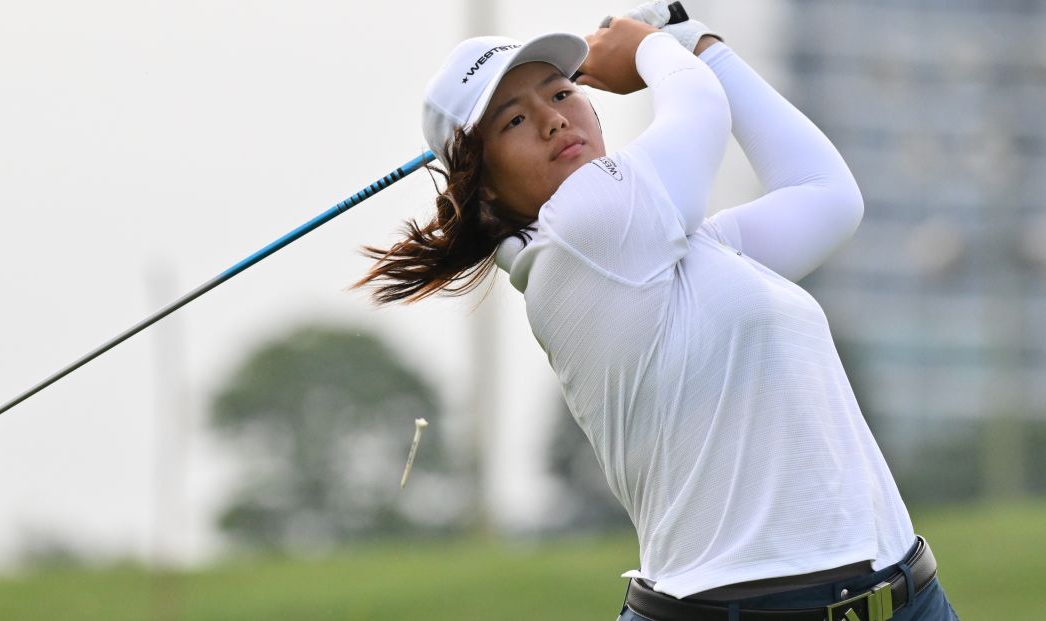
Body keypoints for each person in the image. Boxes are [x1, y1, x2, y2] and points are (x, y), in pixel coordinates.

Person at [357, 2, 960, 619]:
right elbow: (699, 111)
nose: (552, 121)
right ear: (483, 182)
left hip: (905, 594)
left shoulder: (666, 252)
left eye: (560, 93)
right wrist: (649, 47)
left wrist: (703, 46)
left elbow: (826, 196)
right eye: (513, 121)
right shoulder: (585, 230)